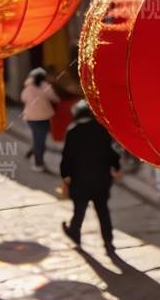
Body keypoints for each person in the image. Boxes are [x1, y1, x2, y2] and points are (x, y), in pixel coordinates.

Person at [59, 101, 121, 251]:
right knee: (103, 211)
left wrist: (65, 174)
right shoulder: (102, 129)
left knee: (79, 210)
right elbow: (111, 153)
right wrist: (116, 167)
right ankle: (108, 241)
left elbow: (67, 156)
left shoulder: (73, 131)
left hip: (80, 180)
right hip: (101, 179)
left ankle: (75, 233)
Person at [20, 67, 59, 172]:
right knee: (40, 141)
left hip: (30, 117)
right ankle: (38, 164)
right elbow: (54, 98)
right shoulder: (45, 86)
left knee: (37, 138)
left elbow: (23, 98)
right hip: (43, 117)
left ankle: (33, 152)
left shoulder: (28, 87)